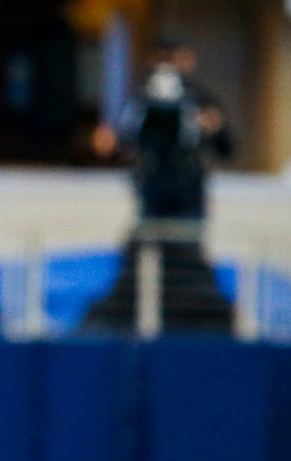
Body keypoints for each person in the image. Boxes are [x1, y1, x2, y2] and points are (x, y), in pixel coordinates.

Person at [83, 37, 234, 335]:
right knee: (145, 265)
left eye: (174, 58)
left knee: (186, 268)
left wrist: (214, 128)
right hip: (152, 198)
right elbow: (120, 144)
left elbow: (226, 148)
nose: (168, 68)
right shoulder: (139, 102)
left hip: (187, 200)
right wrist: (108, 143)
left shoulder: (202, 99)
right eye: (162, 59)